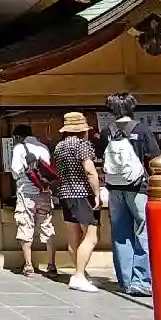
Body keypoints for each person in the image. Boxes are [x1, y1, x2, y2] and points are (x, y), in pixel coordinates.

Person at [96, 93, 160, 296]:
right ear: (132, 107)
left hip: (114, 187)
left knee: (120, 232)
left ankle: (125, 280)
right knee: (142, 230)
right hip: (138, 187)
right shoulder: (142, 129)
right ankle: (142, 280)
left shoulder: (107, 131)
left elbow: (100, 157)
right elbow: (155, 158)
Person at [51, 112, 100, 292]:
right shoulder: (82, 145)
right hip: (82, 193)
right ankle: (79, 276)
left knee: (73, 237)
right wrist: (97, 193)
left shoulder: (59, 146)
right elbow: (90, 171)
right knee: (91, 236)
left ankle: (80, 272)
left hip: (65, 193)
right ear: (82, 130)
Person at [9, 124, 58, 277]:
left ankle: (29, 265)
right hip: (44, 192)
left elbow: (15, 171)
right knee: (46, 226)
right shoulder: (43, 147)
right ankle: (52, 265)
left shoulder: (19, 148)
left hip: (26, 193)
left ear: (18, 136)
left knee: (25, 225)